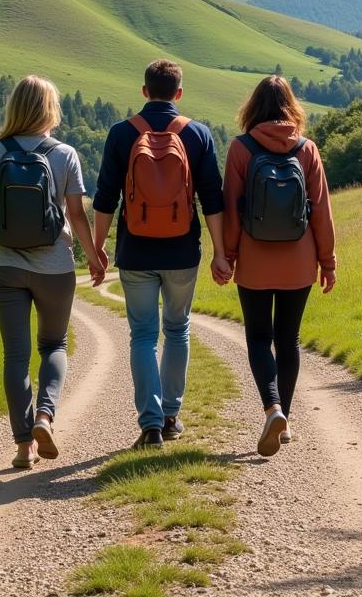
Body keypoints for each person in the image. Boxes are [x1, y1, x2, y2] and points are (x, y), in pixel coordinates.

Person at [0, 75, 106, 469]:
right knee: (54, 346)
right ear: (51, 109)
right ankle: (45, 416)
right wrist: (95, 256)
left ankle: (23, 445)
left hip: (4, 264)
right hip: (55, 266)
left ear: (14, 106)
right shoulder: (65, 153)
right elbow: (77, 213)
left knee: (16, 355)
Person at [93, 59, 226, 449]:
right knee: (177, 330)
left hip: (135, 252)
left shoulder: (121, 134)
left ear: (144, 91)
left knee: (143, 335)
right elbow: (212, 200)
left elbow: (105, 198)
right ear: (179, 94)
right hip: (183, 251)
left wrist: (99, 248)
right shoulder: (197, 134)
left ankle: (150, 425)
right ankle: (170, 417)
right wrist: (220, 252)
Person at [212, 75, 336, 457]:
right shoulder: (307, 149)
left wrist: (227, 256)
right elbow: (321, 213)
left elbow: (231, 209)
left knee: (258, 338)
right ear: (291, 106)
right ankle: (285, 421)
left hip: (254, 259)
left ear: (253, 108)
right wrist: (327, 262)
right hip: (299, 261)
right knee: (289, 340)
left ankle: (272, 409)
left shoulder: (241, 149)